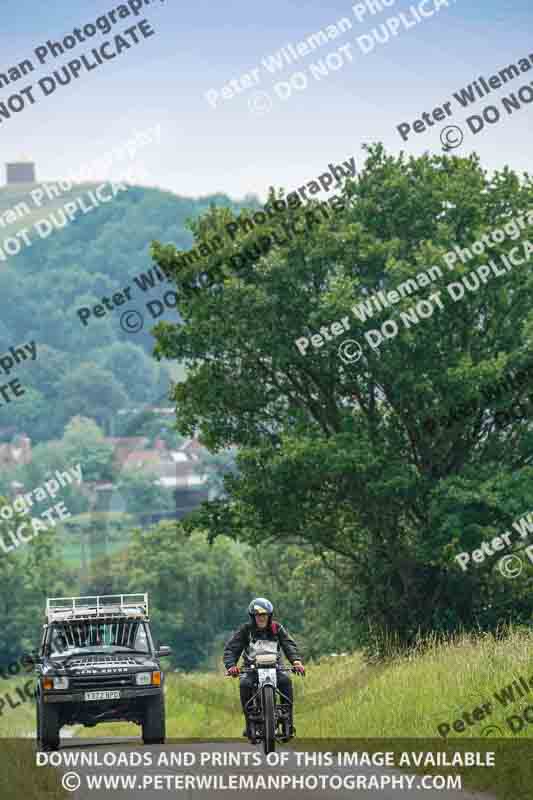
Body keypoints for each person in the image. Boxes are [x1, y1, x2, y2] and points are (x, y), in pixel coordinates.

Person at [223, 597, 305, 738]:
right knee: (244, 683)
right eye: (258, 615)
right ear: (253, 617)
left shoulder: (277, 628)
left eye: (264, 615)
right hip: (251, 669)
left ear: (269, 616)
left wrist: (296, 661)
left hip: (276, 667)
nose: (261, 618)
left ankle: (288, 723)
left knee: (286, 681)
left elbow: (288, 644)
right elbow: (231, 649)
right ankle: (249, 724)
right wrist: (231, 666)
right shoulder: (245, 630)